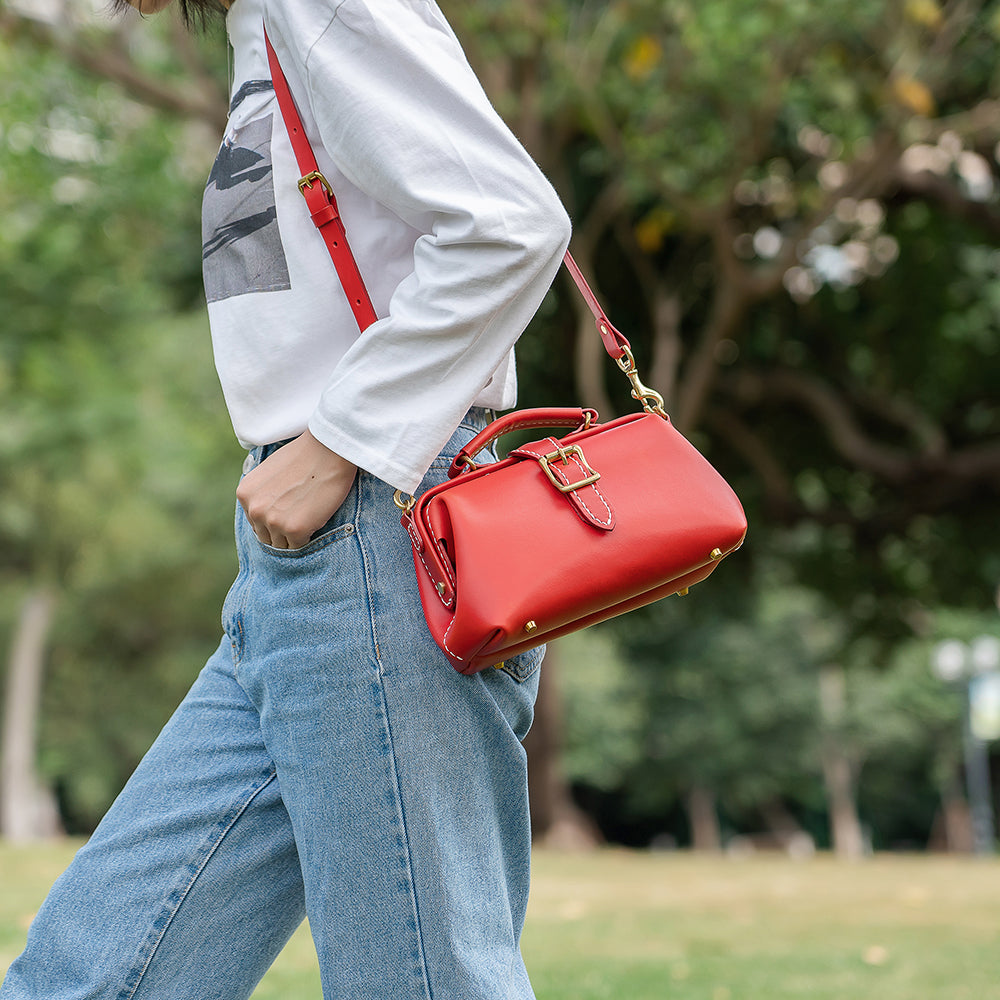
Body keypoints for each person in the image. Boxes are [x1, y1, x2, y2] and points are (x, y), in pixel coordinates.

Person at [0, 0, 570, 997]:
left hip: (385, 536)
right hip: (305, 567)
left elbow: (509, 223)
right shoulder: (259, 26)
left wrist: (342, 440)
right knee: (88, 972)